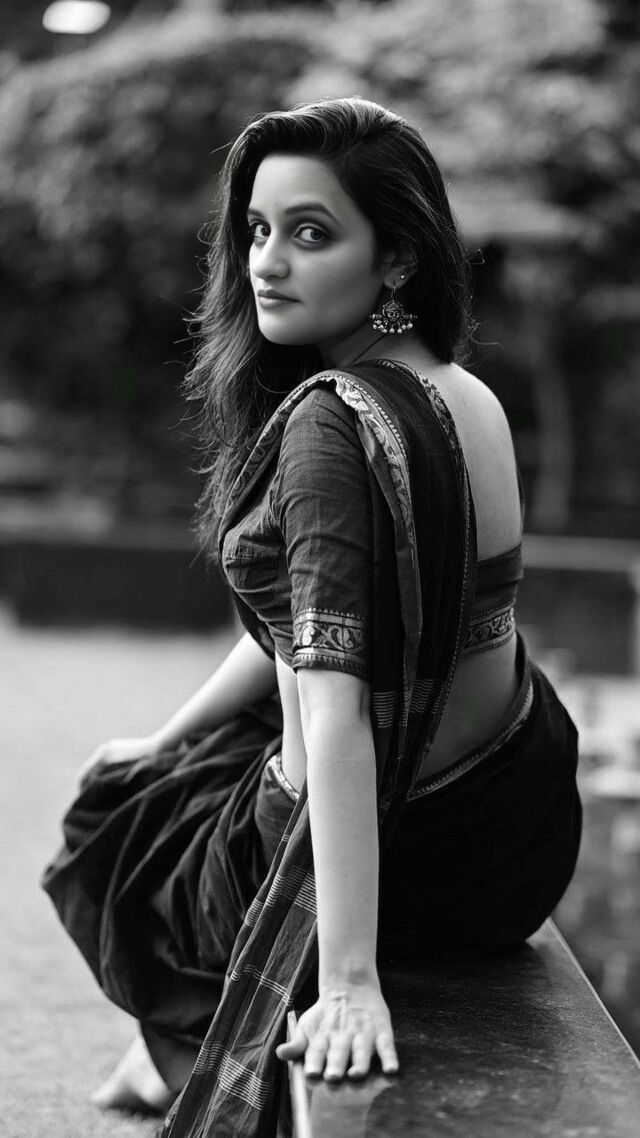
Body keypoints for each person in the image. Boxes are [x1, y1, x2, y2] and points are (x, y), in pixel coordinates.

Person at [42, 97, 582, 1137]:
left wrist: (347, 981)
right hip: (522, 830)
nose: (266, 263)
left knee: (124, 833)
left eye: (311, 232)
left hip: (415, 861)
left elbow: (339, 715)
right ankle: (164, 1047)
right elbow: (316, 633)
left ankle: (171, 1046)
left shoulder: (330, 429)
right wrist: (168, 734)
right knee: (189, 757)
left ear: (396, 258)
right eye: (256, 229)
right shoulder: (464, 393)